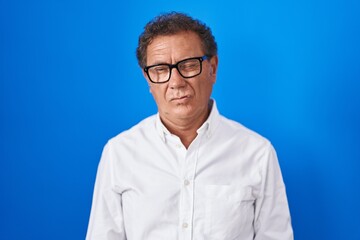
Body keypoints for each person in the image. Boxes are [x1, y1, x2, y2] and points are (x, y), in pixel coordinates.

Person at [86, 12, 293, 240]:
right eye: (160, 70)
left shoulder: (257, 154)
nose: (176, 82)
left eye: (188, 65)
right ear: (147, 79)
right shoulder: (119, 153)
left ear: (212, 68)